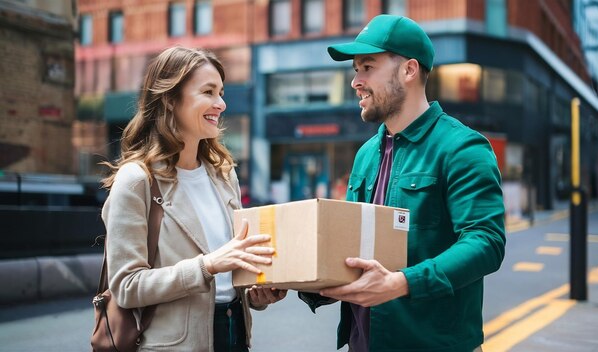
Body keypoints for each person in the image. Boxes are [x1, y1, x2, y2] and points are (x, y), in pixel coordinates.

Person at [299, 15, 506, 351]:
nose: (356, 81)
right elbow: (352, 247)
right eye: (355, 70)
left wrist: (401, 283)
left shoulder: (462, 147)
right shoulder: (366, 154)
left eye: (367, 67)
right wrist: (302, 282)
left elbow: (486, 242)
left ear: (409, 70)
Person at [101, 46, 286, 352]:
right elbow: (126, 287)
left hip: (234, 335)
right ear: (170, 100)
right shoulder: (137, 180)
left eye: (221, 92)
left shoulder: (224, 174)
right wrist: (207, 265)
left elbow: (230, 273)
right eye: (208, 92)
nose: (221, 104)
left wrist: (255, 294)